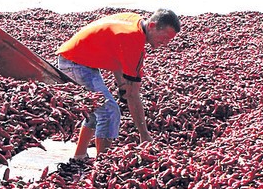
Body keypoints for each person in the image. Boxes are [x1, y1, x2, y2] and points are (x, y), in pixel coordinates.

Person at [56, 9, 180, 158]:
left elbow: (117, 58)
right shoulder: (134, 40)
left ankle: (79, 156)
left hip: (76, 58)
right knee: (109, 111)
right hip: (75, 63)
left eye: (169, 40)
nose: (166, 44)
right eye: (165, 37)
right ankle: (103, 166)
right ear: (152, 25)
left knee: (96, 110)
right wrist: (144, 134)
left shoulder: (135, 22)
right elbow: (133, 94)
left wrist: (122, 87)